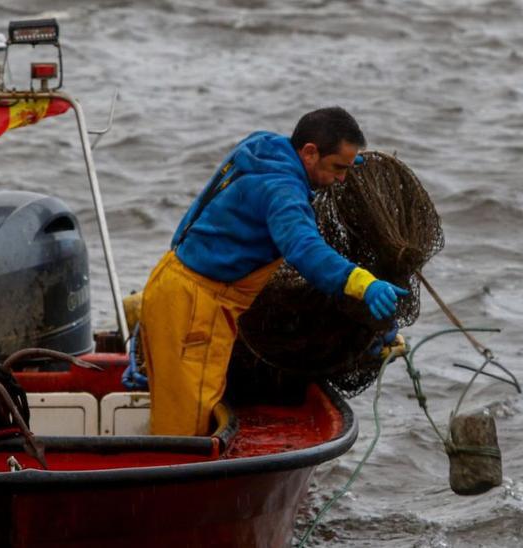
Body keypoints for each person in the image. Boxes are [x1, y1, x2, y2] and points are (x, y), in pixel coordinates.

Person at [140, 107, 408, 436]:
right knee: (188, 427)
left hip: (169, 281)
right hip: (196, 307)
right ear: (309, 152)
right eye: (338, 167)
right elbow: (305, 249)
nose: (341, 178)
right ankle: (177, 484)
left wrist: (345, 164)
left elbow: (290, 167)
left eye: (347, 168)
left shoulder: (265, 148)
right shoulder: (283, 194)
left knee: (179, 406)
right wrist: (361, 282)